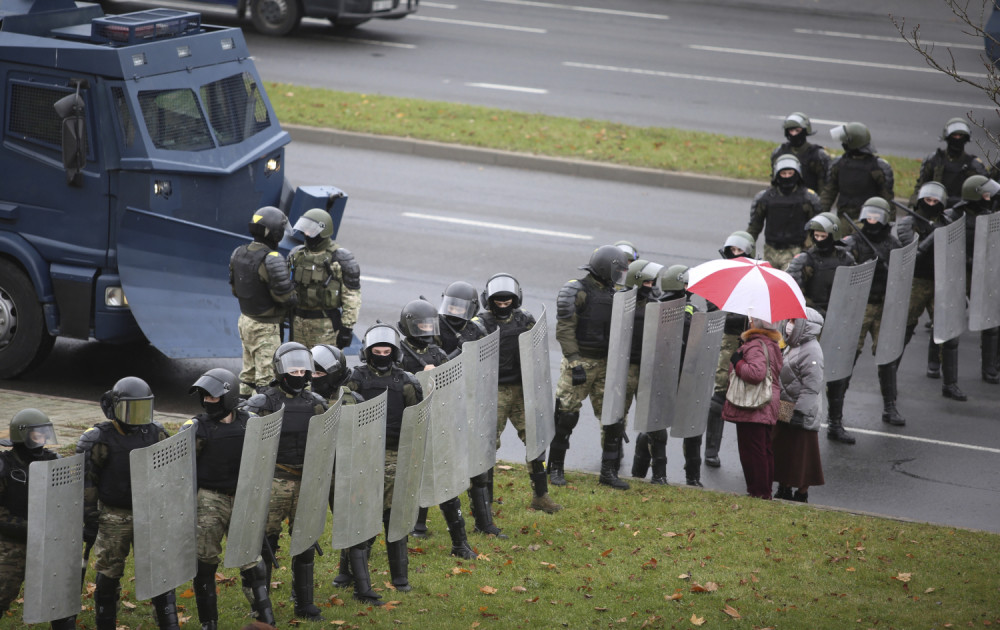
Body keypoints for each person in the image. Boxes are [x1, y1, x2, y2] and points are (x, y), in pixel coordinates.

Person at [76, 377, 178, 630]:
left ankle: (168, 623)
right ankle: (105, 622)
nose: (138, 417)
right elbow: (87, 481)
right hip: (113, 515)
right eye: (132, 409)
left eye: (143, 409)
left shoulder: (156, 432)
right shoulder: (99, 438)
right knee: (109, 573)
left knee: (160, 573)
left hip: (150, 514)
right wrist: (89, 518)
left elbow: (172, 471)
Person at [396, 299, 499, 550]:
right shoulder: (398, 353)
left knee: (440, 472)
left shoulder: (437, 353)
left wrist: (436, 374)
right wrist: (418, 377)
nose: (424, 331)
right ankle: (416, 525)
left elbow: (450, 385)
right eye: (419, 326)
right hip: (408, 421)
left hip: (438, 418)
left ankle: (460, 540)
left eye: (427, 326)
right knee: (416, 474)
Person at [183, 369, 276, 628]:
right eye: (205, 397)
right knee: (205, 563)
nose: (208, 402)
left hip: (243, 497)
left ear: (229, 396)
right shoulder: (196, 428)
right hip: (209, 500)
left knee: (252, 562)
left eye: (213, 397)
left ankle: (265, 619)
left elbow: (263, 459)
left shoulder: (250, 423)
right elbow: (181, 469)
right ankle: (208, 623)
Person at [243, 343, 328, 621]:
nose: (298, 373)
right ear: (281, 370)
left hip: (306, 480)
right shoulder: (263, 402)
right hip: (274, 480)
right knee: (266, 542)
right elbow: (247, 441)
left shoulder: (316, 403)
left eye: (303, 368)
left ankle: (304, 602)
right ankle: (262, 606)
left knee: (305, 541)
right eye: (293, 368)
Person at [473, 273, 562, 513]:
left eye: (507, 301)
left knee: (536, 441)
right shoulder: (480, 324)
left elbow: (538, 350)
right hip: (494, 392)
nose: (503, 306)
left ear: (516, 299)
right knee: (487, 446)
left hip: (522, 390)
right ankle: (485, 503)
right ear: (489, 301)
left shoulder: (525, 320)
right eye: (498, 302)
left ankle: (541, 496)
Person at [345, 324, 424, 590]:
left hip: (394, 454)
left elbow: (417, 420)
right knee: (360, 516)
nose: (381, 354)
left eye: (386, 350)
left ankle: (400, 577)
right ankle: (348, 573)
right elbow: (343, 414)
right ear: (368, 352)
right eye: (376, 351)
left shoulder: (406, 382)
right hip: (362, 454)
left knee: (394, 516)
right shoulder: (355, 379)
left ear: (394, 352)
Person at [549, 245, 631, 490]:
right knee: (566, 416)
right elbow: (564, 329)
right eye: (617, 270)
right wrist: (574, 362)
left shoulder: (615, 293)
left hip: (607, 364)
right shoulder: (577, 290)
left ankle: (608, 472)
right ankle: (555, 468)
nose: (619, 276)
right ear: (606, 268)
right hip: (581, 361)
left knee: (613, 419)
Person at [312, 344, 382, 606]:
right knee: (304, 534)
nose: (312, 378)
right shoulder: (302, 400)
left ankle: (360, 585)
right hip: (310, 474)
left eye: (320, 374)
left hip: (343, 472)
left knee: (355, 525)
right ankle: (302, 595)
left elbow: (366, 440)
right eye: (311, 373)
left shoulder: (352, 400)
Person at [629, 263, 706, 487]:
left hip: (685, 375)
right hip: (661, 375)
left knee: (692, 429)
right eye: (686, 283)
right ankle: (653, 475)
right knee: (656, 429)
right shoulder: (655, 308)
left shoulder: (691, 310)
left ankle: (693, 478)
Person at [0, 409, 77, 630]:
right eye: (37, 435)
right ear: (22, 436)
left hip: (48, 542)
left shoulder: (54, 463)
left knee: (60, 599)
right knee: (2, 592)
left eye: (45, 434)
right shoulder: (4, 466)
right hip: (11, 543)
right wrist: (31, 528)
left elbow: (68, 501)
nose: (42, 440)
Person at [786, 212, 858, 444]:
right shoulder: (804, 260)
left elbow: (854, 291)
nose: (819, 239)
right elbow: (794, 294)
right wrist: (816, 313)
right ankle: (792, 419)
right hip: (811, 326)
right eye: (815, 235)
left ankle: (835, 424)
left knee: (839, 375)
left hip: (838, 323)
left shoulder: (847, 260)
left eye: (823, 235)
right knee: (803, 376)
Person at [840, 197, 907, 426]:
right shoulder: (853, 243)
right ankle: (836, 414)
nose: (872, 221)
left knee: (887, 357)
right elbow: (842, 271)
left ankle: (890, 407)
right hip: (860, 307)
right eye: (869, 216)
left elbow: (903, 277)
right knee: (848, 356)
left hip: (884, 306)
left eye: (877, 217)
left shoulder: (893, 244)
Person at [898, 182, 966, 400]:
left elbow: (956, 253)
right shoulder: (908, 223)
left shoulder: (948, 222)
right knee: (904, 331)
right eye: (928, 200)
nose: (931, 204)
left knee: (948, 332)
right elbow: (912, 253)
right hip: (916, 281)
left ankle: (950, 383)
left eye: (935, 201)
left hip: (942, 280)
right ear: (920, 201)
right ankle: (890, 379)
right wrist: (934, 236)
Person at [230, 206, 297, 397]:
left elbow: (236, 290)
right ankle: (262, 420)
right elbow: (286, 298)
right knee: (267, 382)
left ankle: (242, 413)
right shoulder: (272, 258)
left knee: (248, 376)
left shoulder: (239, 252)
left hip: (245, 320)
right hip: (265, 327)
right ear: (275, 232)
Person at [704, 231, 757, 470]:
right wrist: (738, 313)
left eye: (740, 251)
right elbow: (713, 307)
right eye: (732, 251)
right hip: (727, 339)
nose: (736, 255)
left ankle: (755, 453)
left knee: (757, 397)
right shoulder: (719, 275)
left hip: (754, 339)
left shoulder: (757, 277)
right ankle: (711, 451)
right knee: (720, 394)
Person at [945, 175, 1000, 387]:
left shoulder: (991, 217)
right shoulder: (952, 216)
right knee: (950, 321)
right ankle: (937, 365)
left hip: (983, 273)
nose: (989, 198)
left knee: (991, 322)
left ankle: (989, 366)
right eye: (985, 194)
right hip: (959, 273)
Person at [721, 317, 784, 500]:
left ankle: (758, 492)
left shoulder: (756, 345)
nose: (750, 322)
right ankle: (764, 491)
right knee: (763, 449)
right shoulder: (770, 343)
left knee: (753, 451)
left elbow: (756, 374)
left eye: (752, 320)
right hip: (766, 403)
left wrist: (738, 361)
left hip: (755, 405)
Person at [288, 207, 361, 351]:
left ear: (323, 231)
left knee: (324, 368)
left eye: (310, 230)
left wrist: (347, 328)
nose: (306, 234)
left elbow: (352, 296)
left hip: (325, 326)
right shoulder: (296, 254)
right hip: (298, 324)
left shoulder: (340, 258)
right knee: (298, 367)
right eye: (305, 230)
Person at [774, 309, 826, 503]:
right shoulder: (793, 345)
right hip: (786, 409)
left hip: (801, 414)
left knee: (803, 456)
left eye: (793, 321)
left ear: (805, 325)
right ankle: (784, 487)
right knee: (786, 450)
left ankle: (801, 492)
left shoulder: (812, 350)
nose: (789, 324)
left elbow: (812, 387)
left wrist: (800, 412)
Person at [747, 154, 822, 270]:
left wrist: (808, 249)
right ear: (777, 175)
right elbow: (754, 227)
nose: (787, 177)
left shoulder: (808, 199)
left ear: (797, 174)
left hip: (795, 251)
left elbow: (816, 228)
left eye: (790, 173)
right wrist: (745, 249)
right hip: (770, 251)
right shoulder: (765, 198)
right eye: (783, 174)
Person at [820, 122, 895, 236]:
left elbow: (887, 199)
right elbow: (829, 192)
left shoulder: (878, 168)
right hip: (843, 218)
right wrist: (820, 217)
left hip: (869, 221)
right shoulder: (838, 164)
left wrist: (887, 225)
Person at [911, 118, 987, 207]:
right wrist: (913, 208)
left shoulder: (974, 165)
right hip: (934, 209)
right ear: (947, 137)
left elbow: (985, 195)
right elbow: (920, 187)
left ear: (966, 138)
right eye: (954, 135)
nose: (957, 138)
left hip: (961, 212)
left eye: (960, 135)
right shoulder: (934, 160)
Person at [770, 112, 832, 194]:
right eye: (791, 130)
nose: (794, 134)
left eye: (797, 130)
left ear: (805, 131)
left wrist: (818, 205)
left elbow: (824, 188)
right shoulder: (779, 153)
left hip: (807, 202)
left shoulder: (817, 155)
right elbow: (774, 183)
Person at [437, 281, 486, 357]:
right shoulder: (436, 330)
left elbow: (484, 355)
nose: (454, 312)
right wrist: (458, 350)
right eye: (451, 308)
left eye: (459, 310)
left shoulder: (475, 329)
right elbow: (436, 365)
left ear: (470, 310)